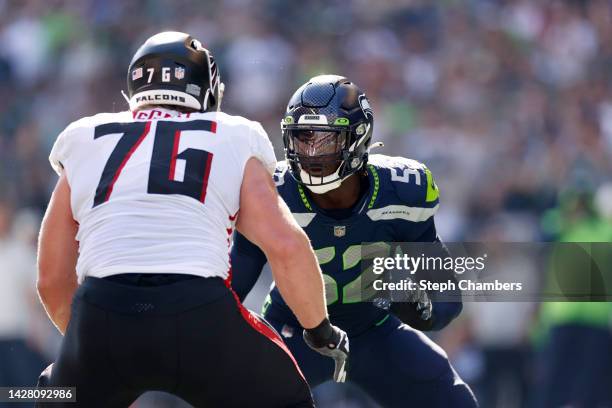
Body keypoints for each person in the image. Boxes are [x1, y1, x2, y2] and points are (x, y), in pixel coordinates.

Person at [36, 32, 348, 408]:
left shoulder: (85, 137)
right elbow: (285, 246)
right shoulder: (232, 134)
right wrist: (319, 330)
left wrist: (95, 346)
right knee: (289, 399)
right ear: (207, 89)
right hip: (197, 312)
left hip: (102, 311)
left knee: (51, 395)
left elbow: (52, 278)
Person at [231, 75, 478, 407]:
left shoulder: (401, 190)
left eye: (326, 140)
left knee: (452, 398)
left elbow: (447, 293)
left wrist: (427, 313)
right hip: (295, 332)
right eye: (303, 139)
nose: (312, 153)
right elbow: (235, 284)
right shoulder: (275, 190)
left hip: (375, 329)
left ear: (358, 139)